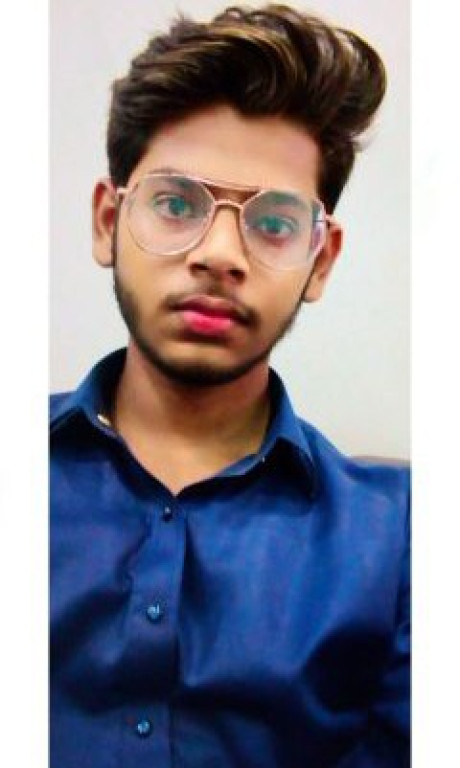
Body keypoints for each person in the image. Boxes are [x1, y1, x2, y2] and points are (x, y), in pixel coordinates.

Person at [50, 4, 410, 767]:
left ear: (320, 260)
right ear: (108, 221)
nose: (219, 254)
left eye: (273, 223)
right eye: (176, 203)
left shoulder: (406, 539)